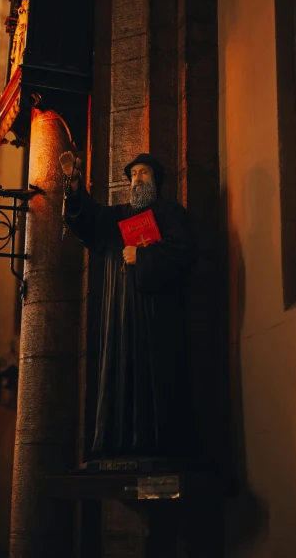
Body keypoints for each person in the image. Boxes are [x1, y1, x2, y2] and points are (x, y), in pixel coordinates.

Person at [60, 151, 195, 459]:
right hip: (119, 314)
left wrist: (143, 257)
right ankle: (118, 446)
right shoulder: (117, 216)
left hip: (157, 315)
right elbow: (85, 221)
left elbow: (184, 252)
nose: (137, 179)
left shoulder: (172, 214)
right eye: (133, 175)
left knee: (155, 375)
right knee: (119, 373)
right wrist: (74, 183)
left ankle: (158, 447)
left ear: (155, 180)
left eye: (144, 173)